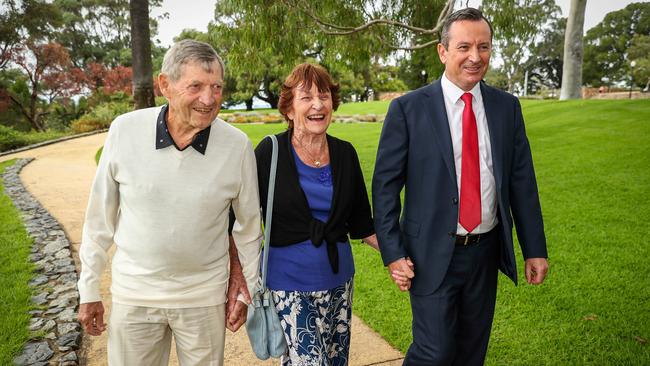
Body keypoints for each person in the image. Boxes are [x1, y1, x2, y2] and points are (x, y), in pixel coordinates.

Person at [372, 8, 549, 366]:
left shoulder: (506, 108)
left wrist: (534, 248)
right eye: (464, 47)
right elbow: (385, 188)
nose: (474, 57)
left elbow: (521, 182)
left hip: (484, 252)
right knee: (433, 352)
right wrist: (393, 253)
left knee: (471, 352)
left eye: (483, 47)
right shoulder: (408, 110)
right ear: (443, 51)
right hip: (429, 253)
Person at [76, 39, 261, 365]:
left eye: (216, 87)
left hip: (203, 297)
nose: (209, 99)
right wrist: (89, 289)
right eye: (196, 86)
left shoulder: (238, 146)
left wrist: (248, 290)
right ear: (165, 85)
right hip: (135, 295)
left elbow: (248, 228)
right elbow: (98, 220)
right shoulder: (124, 131)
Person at [250, 63, 380, 365]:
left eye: (324, 96)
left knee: (335, 361)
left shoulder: (345, 153)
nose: (318, 105)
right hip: (288, 285)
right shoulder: (269, 153)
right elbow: (241, 220)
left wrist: (400, 256)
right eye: (306, 97)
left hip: (339, 282)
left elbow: (363, 224)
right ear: (289, 108)